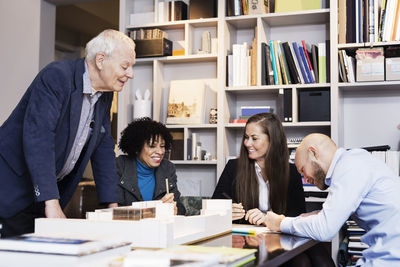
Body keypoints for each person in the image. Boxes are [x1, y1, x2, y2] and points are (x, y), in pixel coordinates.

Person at [0, 29, 136, 238]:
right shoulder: (57, 76)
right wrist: (51, 202)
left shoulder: (105, 95)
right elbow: (39, 138)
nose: (130, 74)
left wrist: (112, 205)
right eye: (125, 66)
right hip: (12, 187)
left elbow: (103, 147)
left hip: (46, 193)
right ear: (100, 60)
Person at [265, 133, 400, 266]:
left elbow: (325, 229)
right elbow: (334, 215)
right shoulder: (354, 161)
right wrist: (318, 215)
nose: (305, 179)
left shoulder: (349, 167)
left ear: (313, 152)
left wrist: (281, 223)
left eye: (303, 170)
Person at [212, 113, 305, 223]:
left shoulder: (291, 172)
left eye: (254, 138)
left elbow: (298, 215)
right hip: (243, 237)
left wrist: (269, 219)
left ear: (272, 140)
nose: (247, 143)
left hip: (280, 237)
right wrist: (225, 212)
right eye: (246, 138)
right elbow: (214, 209)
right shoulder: (233, 167)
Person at [116, 117, 186, 215]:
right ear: (137, 147)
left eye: (162, 146)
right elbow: (115, 212)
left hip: (159, 229)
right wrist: (156, 210)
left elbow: (180, 208)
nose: (160, 152)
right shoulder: (120, 166)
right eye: (152, 146)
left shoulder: (167, 168)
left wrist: (176, 210)